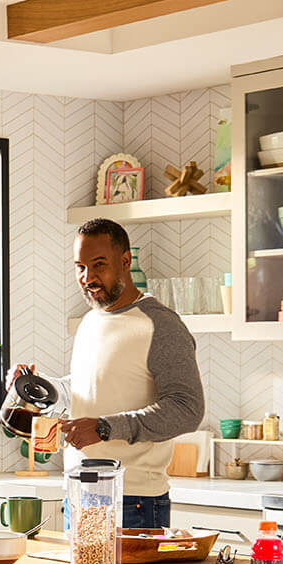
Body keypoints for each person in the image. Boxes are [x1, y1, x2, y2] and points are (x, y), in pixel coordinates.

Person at [62, 218, 206, 529]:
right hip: (78, 492)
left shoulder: (160, 324)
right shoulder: (89, 321)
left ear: (126, 261)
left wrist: (103, 428)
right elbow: (90, 388)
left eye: (98, 264)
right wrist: (33, 386)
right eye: (80, 267)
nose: (88, 277)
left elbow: (187, 409)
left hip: (133, 499)